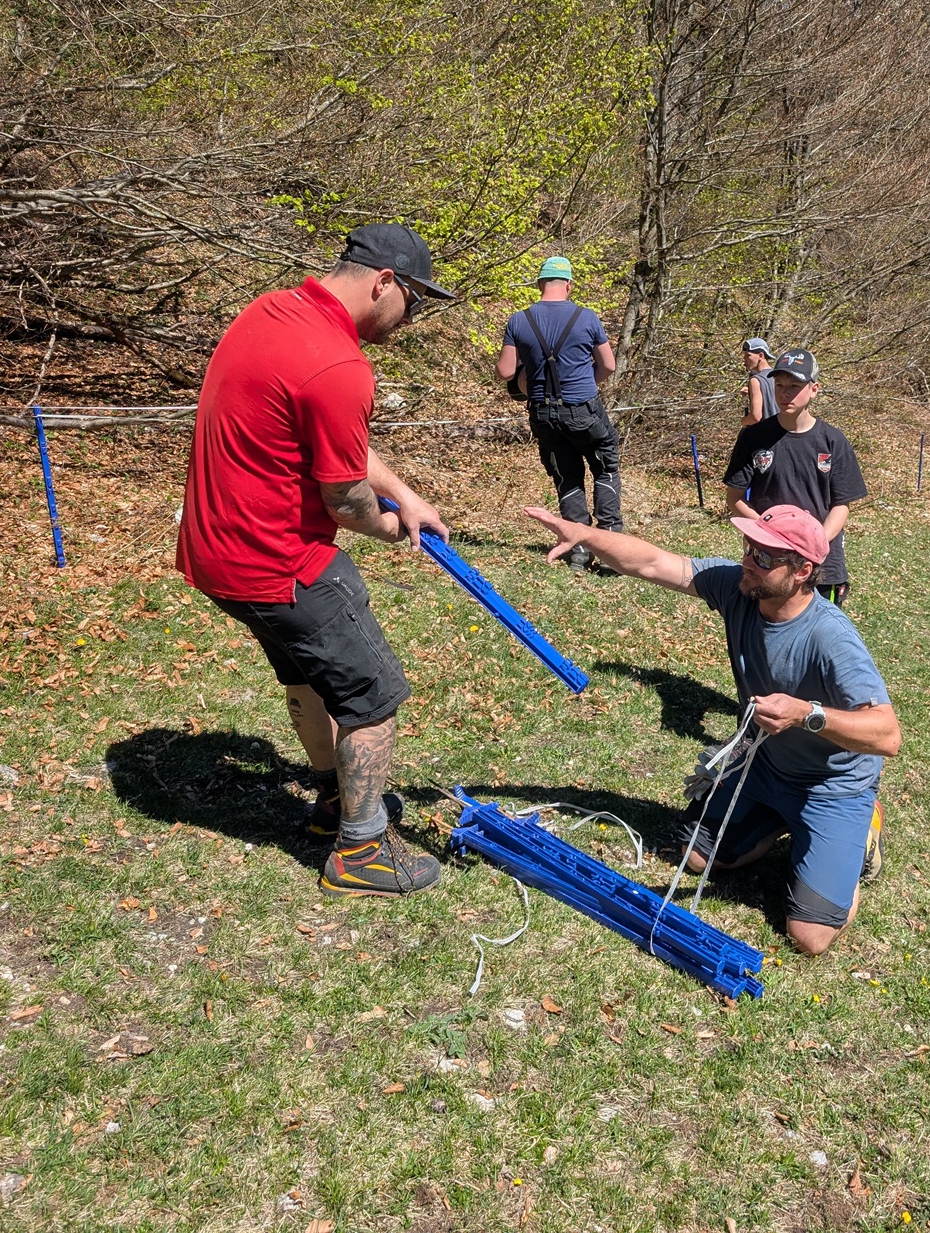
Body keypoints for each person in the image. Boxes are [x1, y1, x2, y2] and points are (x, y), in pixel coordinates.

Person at [176, 222, 453, 899]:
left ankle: (333, 800)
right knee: (373, 695)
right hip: (277, 560)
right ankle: (360, 850)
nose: (411, 319)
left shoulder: (269, 312)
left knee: (307, 672)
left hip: (215, 552)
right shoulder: (339, 364)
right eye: (414, 301)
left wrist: (406, 494)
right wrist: (393, 527)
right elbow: (345, 503)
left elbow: (336, 443)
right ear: (384, 281)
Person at [525, 503, 898, 954]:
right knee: (694, 855)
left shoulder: (829, 636)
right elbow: (652, 562)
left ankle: (863, 832)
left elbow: (887, 734)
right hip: (768, 767)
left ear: (801, 571)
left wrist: (806, 714)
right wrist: (583, 533)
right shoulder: (739, 588)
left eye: (764, 556)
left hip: (831, 786)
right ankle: (779, 820)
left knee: (809, 937)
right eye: (749, 547)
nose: (748, 560)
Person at [496, 256, 621, 571]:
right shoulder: (587, 317)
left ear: (539, 284)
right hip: (585, 410)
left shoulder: (519, 320)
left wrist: (529, 375)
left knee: (567, 478)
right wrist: (585, 387)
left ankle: (579, 548)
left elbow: (505, 371)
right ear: (568, 284)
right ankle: (610, 549)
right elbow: (609, 365)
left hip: (543, 413)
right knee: (604, 469)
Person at [722, 348, 865, 604]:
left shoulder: (833, 441)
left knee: (818, 639)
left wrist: (813, 542)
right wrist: (771, 535)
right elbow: (735, 498)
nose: (785, 393)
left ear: (814, 388)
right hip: (767, 562)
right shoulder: (753, 437)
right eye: (779, 385)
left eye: (795, 385)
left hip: (820, 564)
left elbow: (841, 505)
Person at [740, 338, 777, 426]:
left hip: (764, 435)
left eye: (748, 355)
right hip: (781, 434)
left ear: (761, 356)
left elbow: (755, 417)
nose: (744, 359)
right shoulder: (778, 376)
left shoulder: (755, 380)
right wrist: (751, 391)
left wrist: (743, 421)